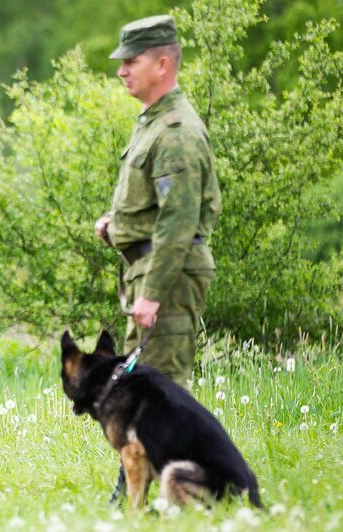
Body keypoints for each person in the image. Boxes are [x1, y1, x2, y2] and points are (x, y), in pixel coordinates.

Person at [93, 15, 221, 502]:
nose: (122, 71)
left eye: (132, 61)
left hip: (167, 275)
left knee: (159, 392)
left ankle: (180, 494)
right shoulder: (152, 124)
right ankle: (139, 493)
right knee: (144, 392)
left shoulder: (176, 132)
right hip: (150, 269)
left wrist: (152, 293)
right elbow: (157, 211)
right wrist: (117, 226)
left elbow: (178, 222)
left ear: (162, 63)